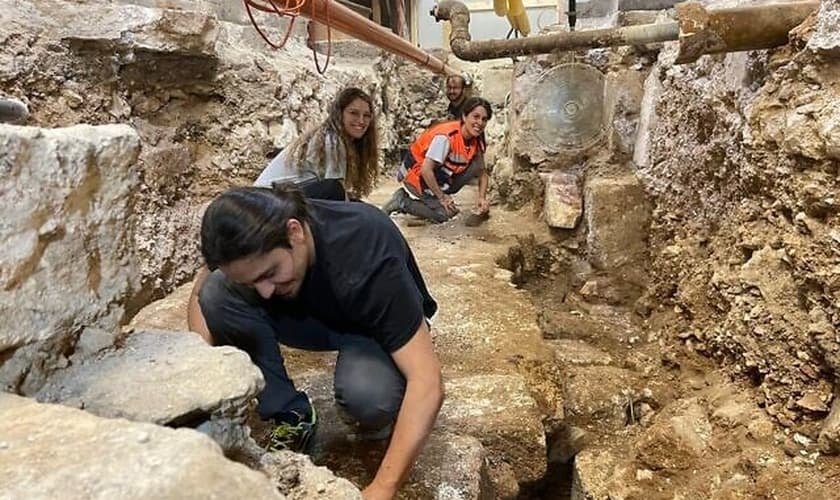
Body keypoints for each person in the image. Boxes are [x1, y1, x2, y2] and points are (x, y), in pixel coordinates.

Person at [190, 185, 444, 500]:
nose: (265, 291)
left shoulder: (365, 247)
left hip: (368, 325)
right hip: (310, 317)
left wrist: (382, 487)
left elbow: (428, 381)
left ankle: (383, 376)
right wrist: (201, 388)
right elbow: (203, 292)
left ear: (294, 232)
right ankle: (292, 413)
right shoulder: (253, 237)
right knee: (217, 292)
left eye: (271, 272)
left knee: (368, 399)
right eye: (252, 280)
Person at [254, 87, 379, 201]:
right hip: (269, 199)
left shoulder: (337, 139)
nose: (361, 121)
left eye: (367, 116)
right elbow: (338, 193)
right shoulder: (332, 141)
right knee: (334, 189)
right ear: (340, 114)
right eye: (354, 113)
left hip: (277, 195)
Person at [382, 97, 492, 224]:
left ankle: (437, 194)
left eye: (484, 119)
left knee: (475, 165)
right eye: (476, 117)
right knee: (446, 214)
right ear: (464, 116)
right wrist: (442, 197)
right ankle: (402, 202)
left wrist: (482, 198)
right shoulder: (446, 137)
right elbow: (426, 170)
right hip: (416, 176)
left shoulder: (476, 140)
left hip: (440, 177)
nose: (480, 122)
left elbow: (483, 173)